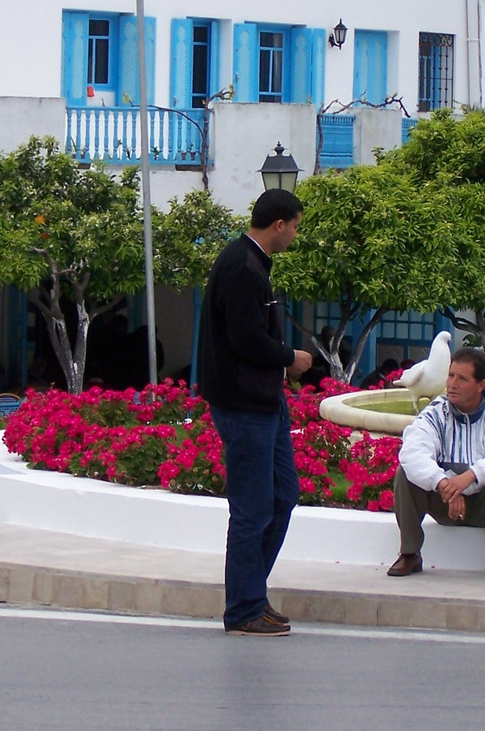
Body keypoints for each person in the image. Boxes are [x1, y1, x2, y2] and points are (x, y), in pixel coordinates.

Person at [197, 188, 314, 637]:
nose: (295, 236)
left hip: (266, 401)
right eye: (296, 226)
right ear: (279, 224)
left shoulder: (251, 263)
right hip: (244, 404)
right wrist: (291, 358)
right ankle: (244, 608)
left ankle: (253, 594)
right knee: (251, 509)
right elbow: (245, 340)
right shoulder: (243, 267)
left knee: (283, 495)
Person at [388, 348, 485, 580]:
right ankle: (410, 554)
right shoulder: (436, 411)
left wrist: (473, 475)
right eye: (451, 375)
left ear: (481, 384)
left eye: (462, 378)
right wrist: (443, 483)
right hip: (445, 503)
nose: (452, 384)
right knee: (405, 473)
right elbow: (413, 450)